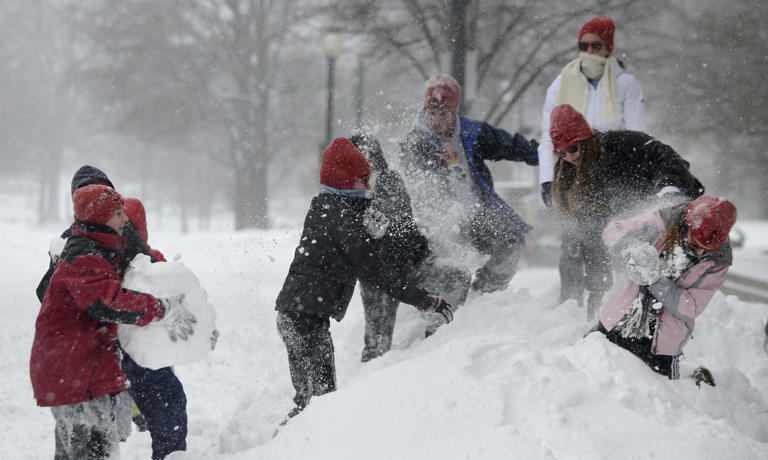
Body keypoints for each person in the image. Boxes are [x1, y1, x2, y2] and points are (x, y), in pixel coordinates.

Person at [275, 138, 456, 420]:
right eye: (363, 180)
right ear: (346, 181)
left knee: (315, 402)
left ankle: (303, 445)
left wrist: (373, 237)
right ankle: (296, 447)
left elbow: (358, 254)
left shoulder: (329, 207)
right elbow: (375, 271)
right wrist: (423, 299)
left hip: (300, 315)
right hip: (303, 319)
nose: (369, 187)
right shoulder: (342, 217)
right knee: (317, 406)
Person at [35, 165, 190, 460]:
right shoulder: (83, 253)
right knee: (95, 447)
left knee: (76, 446)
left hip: (82, 369)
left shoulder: (82, 243)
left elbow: (47, 294)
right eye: (118, 212)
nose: (125, 217)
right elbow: (109, 301)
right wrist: (160, 307)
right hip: (80, 372)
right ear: (100, 214)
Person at [549, 103, 704, 319]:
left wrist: (669, 190)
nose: (569, 157)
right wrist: (598, 291)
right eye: (560, 152)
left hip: (665, 212)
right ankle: (595, 310)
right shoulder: (573, 177)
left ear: (586, 139)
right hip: (626, 228)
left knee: (653, 266)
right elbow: (594, 237)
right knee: (586, 238)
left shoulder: (623, 145)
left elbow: (667, 159)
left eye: (573, 148)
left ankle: (668, 315)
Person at [537, 15, 647, 311]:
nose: (589, 50)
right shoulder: (561, 83)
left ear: (608, 47)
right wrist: (547, 179)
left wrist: (634, 181)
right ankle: (569, 303)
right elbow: (547, 136)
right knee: (571, 240)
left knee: (602, 242)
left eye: (595, 44)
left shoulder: (626, 85)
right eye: (583, 44)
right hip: (571, 170)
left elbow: (638, 137)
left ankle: (600, 303)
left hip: (610, 172)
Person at [398, 74, 539, 298]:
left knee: (511, 242)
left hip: (475, 216)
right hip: (438, 224)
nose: (436, 119)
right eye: (431, 112)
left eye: (443, 113)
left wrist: (541, 153)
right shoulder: (417, 142)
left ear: (455, 113)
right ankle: (437, 312)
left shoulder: (470, 133)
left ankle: (483, 293)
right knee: (449, 268)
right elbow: (419, 188)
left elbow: (508, 145)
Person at [350, 132, 471, 362]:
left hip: (410, 261)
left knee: (457, 277)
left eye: (367, 153)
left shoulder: (390, 180)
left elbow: (403, 228)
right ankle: (368, 380)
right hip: (378, 273)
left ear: (376, 156)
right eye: (357, 154)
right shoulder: (350, 193)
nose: (364, 159)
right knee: (377, 343)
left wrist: (420, 252)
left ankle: (435, 336)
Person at [595, 196, 737, 380]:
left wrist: (654, 279)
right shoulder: (661, 221)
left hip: (663, 344)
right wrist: (632, 250)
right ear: (687, 225)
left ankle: (693, 379)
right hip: (617, 319)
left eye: (706, 249)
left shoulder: (718, 261)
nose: (700, 252)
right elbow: (613, 232)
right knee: (590, 370)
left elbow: (690, 308)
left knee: (662, 396)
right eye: (695, 244)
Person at [121, 197, 189, 459]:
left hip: (119, 350)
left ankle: (139, 418)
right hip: (148, 349)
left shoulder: (106, 259)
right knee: (166, 402)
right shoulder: (153, 261)